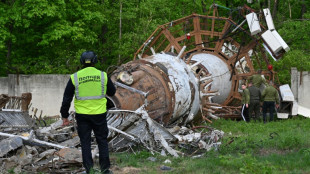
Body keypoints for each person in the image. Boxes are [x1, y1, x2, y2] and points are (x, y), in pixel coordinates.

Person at [60, 51, 116, 174]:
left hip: (82, 115)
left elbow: (67, 98)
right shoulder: (103, 76)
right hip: (99, 114)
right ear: (95, 61)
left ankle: (89, 170)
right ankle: (105, 170)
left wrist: (64, 115)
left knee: (85, 142)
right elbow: (112, 92)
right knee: (102, 141)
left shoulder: (75, 77)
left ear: (81, 62)